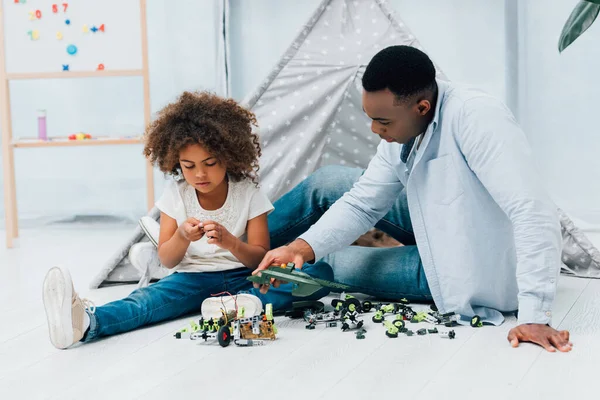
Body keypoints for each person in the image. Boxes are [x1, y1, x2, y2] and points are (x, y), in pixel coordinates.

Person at [254, 45, 572, 353]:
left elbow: (534, 212)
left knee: (332, 264)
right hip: (436, 214)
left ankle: (245, 284)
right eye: (371, 118)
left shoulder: (478, 117)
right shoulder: (404, 124)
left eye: (384, 122)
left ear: (421, 107)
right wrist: (300, 247)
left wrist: (534, 315)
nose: (375, 130)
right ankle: (230, 251)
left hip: (468, 264)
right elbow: (364, 203)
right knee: (327, 182)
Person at [41, 91, 332, 349]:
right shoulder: (176, 195)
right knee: (147, 301)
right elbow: (167, 259)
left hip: (243, 279)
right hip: (190, 280)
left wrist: (230, 241)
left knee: (320, 274)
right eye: (188, 166)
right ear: (174, 162)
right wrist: (181, 236)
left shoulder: (248, 192)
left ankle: (238, 307)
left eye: (210, 164)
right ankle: (86, 323)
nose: (200, 175)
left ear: (229, 156)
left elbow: (258, 259)